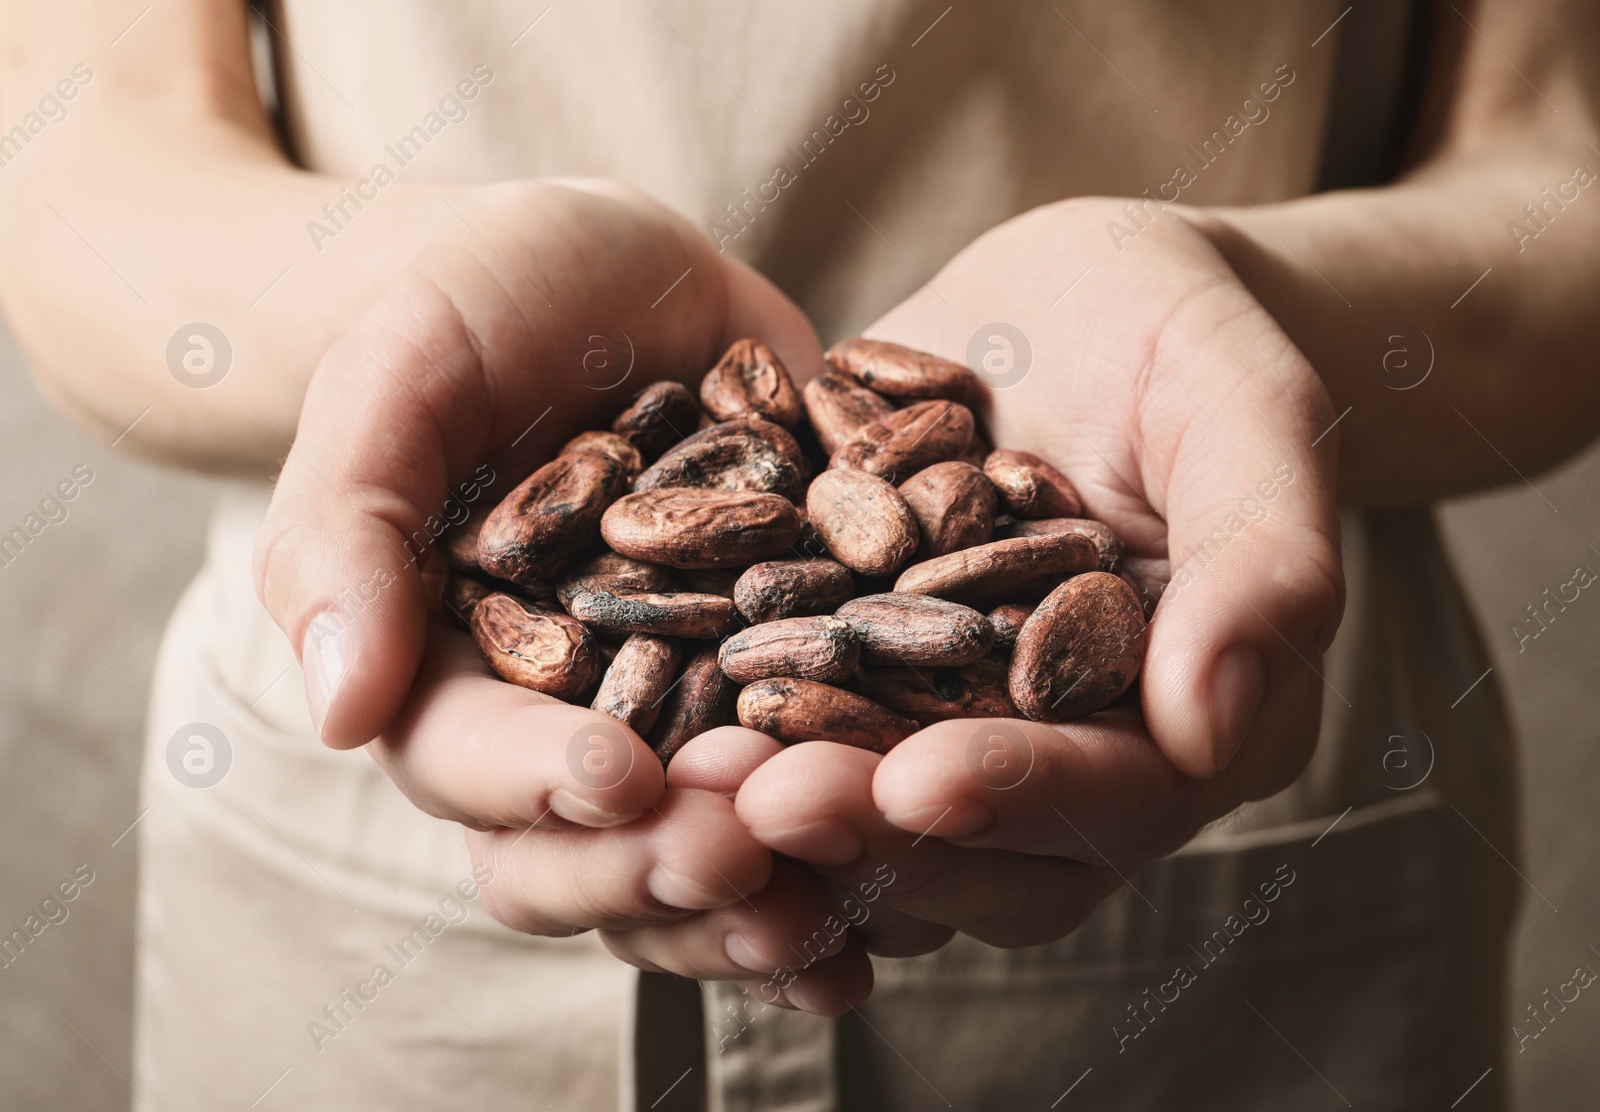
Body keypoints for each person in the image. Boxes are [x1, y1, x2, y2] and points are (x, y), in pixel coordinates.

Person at [2, 0, 1595, 1108]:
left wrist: (1250, 300)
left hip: (1226, 901)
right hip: (367, 868)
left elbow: (1556, 181)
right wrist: (410, 321)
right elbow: (81, 161)